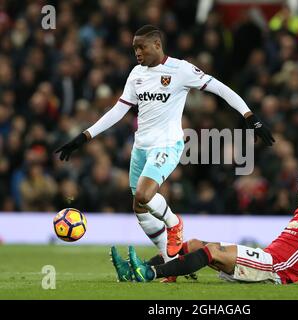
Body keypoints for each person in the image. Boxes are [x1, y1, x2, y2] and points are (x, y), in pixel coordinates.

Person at [55, 25, 275, 282]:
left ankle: (174, 224)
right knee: (139, 206)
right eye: (134, 48)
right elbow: (118, 110)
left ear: (157, 45)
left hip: (168, 145)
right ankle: (171, 266)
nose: (137, 52)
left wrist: (250, 116)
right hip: (141, 148)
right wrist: (84, 136)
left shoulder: (181, 70)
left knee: (145, 195)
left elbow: (221, 88)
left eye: (142, 47)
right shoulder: (136, 74)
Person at [123, 167, 298, 286]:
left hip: (275, 268)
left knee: (211, 251)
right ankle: (138, 269)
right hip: (266, 258)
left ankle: (151, 273)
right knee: (193, 244)